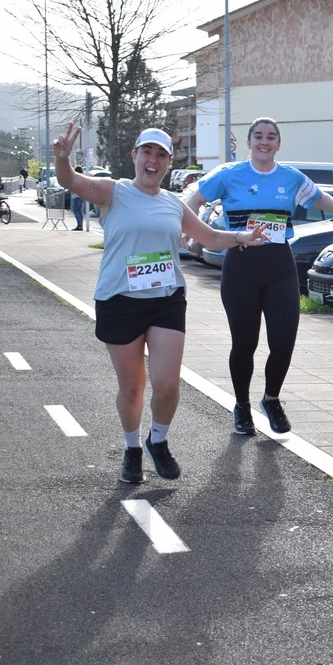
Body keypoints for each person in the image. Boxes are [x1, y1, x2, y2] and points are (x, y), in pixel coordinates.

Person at [53, 123, 269, 484]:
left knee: (167, 385)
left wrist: (242, 237)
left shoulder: (173, 203)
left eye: (161, 155)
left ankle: (159, 440)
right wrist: (63, 159)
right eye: (147, 152)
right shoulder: (113, 191)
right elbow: (70, 180)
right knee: (132, 387)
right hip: (119, 300)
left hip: (166, 298)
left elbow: (211, 236)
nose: (152, 160)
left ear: (169, 163)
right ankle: (132, 449)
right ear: (135, 156)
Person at [184, 117, 333, 436]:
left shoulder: (290, 177)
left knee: (283, 341)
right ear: (249, 142)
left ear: (279, 143)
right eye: (258, 136)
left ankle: (271, 399)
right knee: (245, 343)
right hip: (241, 266)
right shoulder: (229, 174)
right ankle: (241, 406)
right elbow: (195, 198)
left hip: (280, 266)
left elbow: (318, 196)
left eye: (270, 137)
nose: (264, 142)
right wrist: (191, 228)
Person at [71, 165, 86, 230]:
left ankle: (79, 225)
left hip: (76, 196)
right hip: (81, 196)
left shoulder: (77, 177)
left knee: (75, 210)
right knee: (79, 211)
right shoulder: (83, 177)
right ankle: (80, 225)